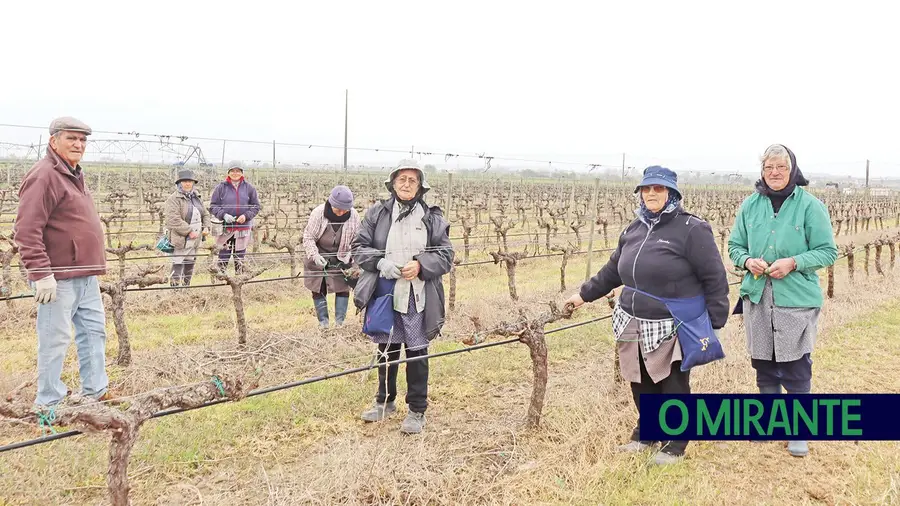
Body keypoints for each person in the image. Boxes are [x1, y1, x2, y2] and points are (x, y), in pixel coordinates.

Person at [566, 166, 730, 465]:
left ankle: (675, 444)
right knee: (639, 380)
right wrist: (583, 295)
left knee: (673, 383)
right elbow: (614, 270)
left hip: (674, 321)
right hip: (632, 317)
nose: (652, 193)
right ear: (640, 193)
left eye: (659, 188)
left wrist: (715, 320)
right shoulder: (634, 228)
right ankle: (647, 433)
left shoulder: (692, 228)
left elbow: (714, 277)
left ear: (672, 193)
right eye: (646, 188)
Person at [728, 144, 837, 458]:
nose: (774, 173)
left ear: (793, 170)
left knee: (795, 363)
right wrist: (747, 261)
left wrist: (794, 262)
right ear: (762, 172)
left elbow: (828, 251)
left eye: (781, 167)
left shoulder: (810, 206)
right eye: (768, 168)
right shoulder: (750, 205)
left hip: (796, 298)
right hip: (758, 296)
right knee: (763, 362)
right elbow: (734, 246)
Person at [14, 117, 111, 406]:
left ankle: (96, 391)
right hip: (58, 277)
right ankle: (48, 403)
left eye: (82, 140)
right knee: (55, 340)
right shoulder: (44, 175)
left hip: (85, 273)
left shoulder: (73, 173)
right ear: (53, 141)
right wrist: (41, 273)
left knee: (93, 333)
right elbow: (26, 229)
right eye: (72, 138)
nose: (78, 144)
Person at [352, 159, 454, 435]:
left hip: (417, 294)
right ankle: (385, 401)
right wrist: (379, 262)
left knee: (416, 350)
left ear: (420, 186)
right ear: (393, 183)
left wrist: (422, 265)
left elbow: (446, 255)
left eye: (412, 180)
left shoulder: (432, 217)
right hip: (385, 292)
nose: (406, 184)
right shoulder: (377, 213)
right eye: (402, 179)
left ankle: (417, 409)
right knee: (386, 349)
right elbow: (359, 247)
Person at [302, 185, 361, 329]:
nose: (341, 213)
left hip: (342, 256)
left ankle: (339, 324)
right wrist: (315, 255)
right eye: (338, 209)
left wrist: (355, 263)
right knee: (318, 287)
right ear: (331, 203)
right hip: (319, 253)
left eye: (344, 210)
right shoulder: (318, 213)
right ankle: (324, 325)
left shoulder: (354, 216)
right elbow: (309, 237)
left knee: (342, 287)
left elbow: (357, 242)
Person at [209, 161, 261, 274]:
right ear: (228, 173)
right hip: (225, 228)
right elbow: (213, 206)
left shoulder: (249, 188)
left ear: (242, 173)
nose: (235, 173)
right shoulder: (220, 188)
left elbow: (256, 206)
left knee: (240, 256)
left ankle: (239, 279)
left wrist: (246, 216)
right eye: (232, 171)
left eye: (238, 171)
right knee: (223, 255)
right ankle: (221, 280)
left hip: (243, 228)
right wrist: (223, 215)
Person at [164, 169, 211, 286]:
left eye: (190, 181)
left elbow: (205, 214)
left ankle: (186, 288)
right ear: (179, 183)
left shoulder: (196, 197)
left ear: (193, 183)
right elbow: (173, 219)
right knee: (178, 262)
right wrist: (189, 231)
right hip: (180, 238)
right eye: (184, 181)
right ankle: (175, 291)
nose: (187, 184)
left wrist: (206, 227)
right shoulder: (173, 199)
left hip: (195, 239)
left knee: (190, 262)